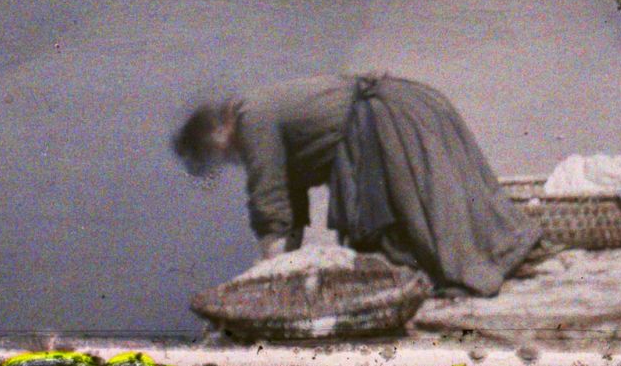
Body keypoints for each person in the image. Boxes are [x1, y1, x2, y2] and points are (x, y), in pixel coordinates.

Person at [171, 73, 542, 296]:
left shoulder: (251, 116)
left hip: (384, 117)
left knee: (429, 214)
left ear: (218, 128)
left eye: (220, 151)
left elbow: (267, 193)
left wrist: (269, 264)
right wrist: (283, 260)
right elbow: (289, 196)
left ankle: (478, 267)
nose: (229, 159)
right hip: (370, 124)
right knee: (400, 236)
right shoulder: (255, 112)